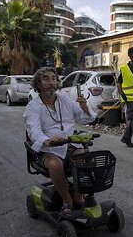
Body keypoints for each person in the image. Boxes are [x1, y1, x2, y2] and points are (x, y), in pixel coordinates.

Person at [23, 67, 97, 214]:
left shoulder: (65, 100)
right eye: (46, 79)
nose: (51, 82)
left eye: (53, 79)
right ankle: (67, 200)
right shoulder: (33, 106)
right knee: (55, 164)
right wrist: (47, 140)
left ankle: (78, 197)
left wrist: (84, 107)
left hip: (71, 144)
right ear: (38, 84)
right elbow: (34, 130)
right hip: (49, 149)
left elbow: (86, 119)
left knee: (84, 158)